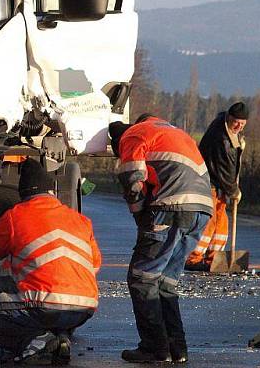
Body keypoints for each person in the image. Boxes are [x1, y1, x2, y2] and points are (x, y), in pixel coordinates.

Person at [0, 158, 101, 365]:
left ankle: (36, 341)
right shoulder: (81, 220)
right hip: (84, 308)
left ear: (23, 193)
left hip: (44, 306)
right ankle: (59, 337)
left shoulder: (16, 215)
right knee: (46, 306)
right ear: (51, 192)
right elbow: (95, 264)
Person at [109, 116, 213, 364]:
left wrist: (140, 215)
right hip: (202, 209)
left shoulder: (132, 136)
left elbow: (134, 181)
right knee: (165, 282)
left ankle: (154, 348)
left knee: (142, 278)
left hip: (172, 206)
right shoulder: (171, 131)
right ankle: (177, 348)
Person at [185, 102, 248, 270]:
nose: (239, 127)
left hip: (217, 185)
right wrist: (234, 191)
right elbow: (224, 169)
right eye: (236, 122)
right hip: (209, 184)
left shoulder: (226, 129)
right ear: (229, 118)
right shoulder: (222, 138)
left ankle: (213, 259)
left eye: (242, 124)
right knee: (209, 221)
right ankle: (193, 258)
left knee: (221, 223)